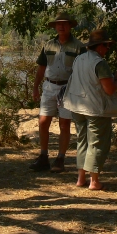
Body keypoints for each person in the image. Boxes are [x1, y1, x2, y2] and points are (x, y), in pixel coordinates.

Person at [63, 29, 117, 190]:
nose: (107, 49)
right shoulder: (100, 63)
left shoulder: (79, 59)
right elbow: (109, 89)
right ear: (100, 46)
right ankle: (94, 181)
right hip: (95, 108)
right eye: (107, 46)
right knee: (97, 143)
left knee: (82, 141)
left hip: (77, 106)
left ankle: (81, 178)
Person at [30, 11, 85, 172]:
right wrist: (35, 87)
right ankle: (43, 156)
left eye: (64, 24)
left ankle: (60, 159)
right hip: (49, 86)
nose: (61, 26)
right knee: (43, 121)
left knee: (64, 124)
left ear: (70, 26)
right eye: (58, 24)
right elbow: (41, 68)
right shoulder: (48, 45)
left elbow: (83, 70)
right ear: (55, 26)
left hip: (68, 88)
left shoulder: (79, 46)